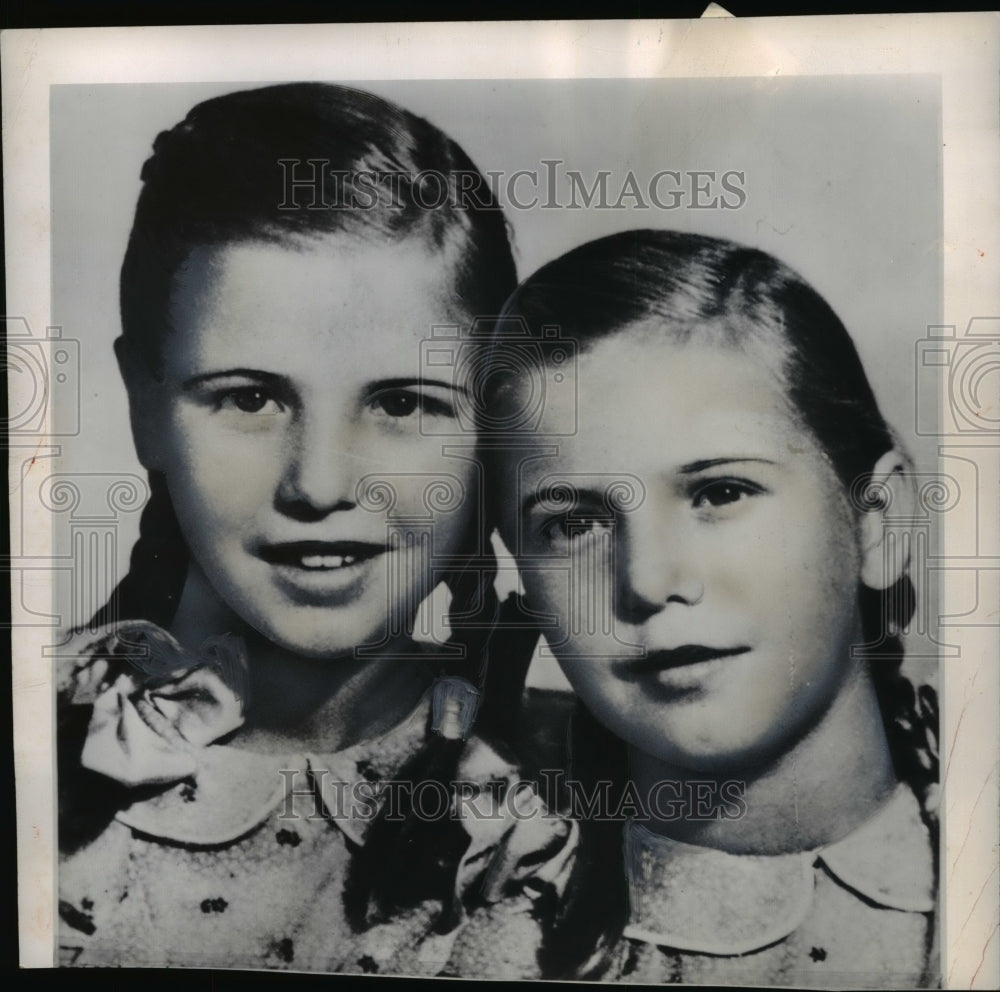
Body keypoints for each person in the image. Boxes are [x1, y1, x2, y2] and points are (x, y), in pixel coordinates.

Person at [56, 82, 573, 974]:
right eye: (250, 398)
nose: (321, 484)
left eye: (402, 403)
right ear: (145, 405)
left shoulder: (549, 818)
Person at [466, 228, 938, 986]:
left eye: (720, 492)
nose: (650, 581)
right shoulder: (474, 935)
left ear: (877, 522)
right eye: (574, 526)